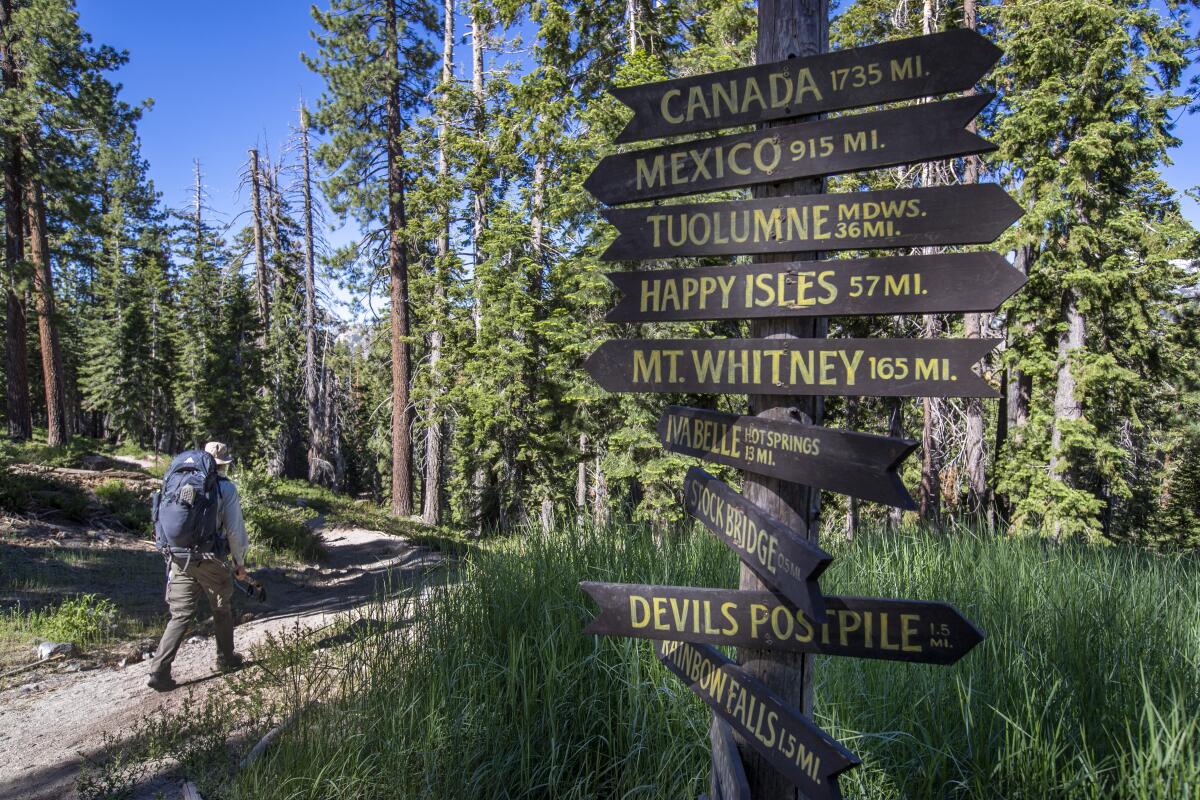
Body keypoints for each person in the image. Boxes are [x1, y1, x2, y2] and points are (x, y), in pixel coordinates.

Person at [147, 441, 250, 692]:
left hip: (178, 556)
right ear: (224, 464)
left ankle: (159, 671)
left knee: (180, 614)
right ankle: (225, 659)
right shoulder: (225, 487)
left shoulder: (176, 478)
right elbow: (235, 531)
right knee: (221, 608)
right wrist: (239, 563)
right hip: (209, 558)